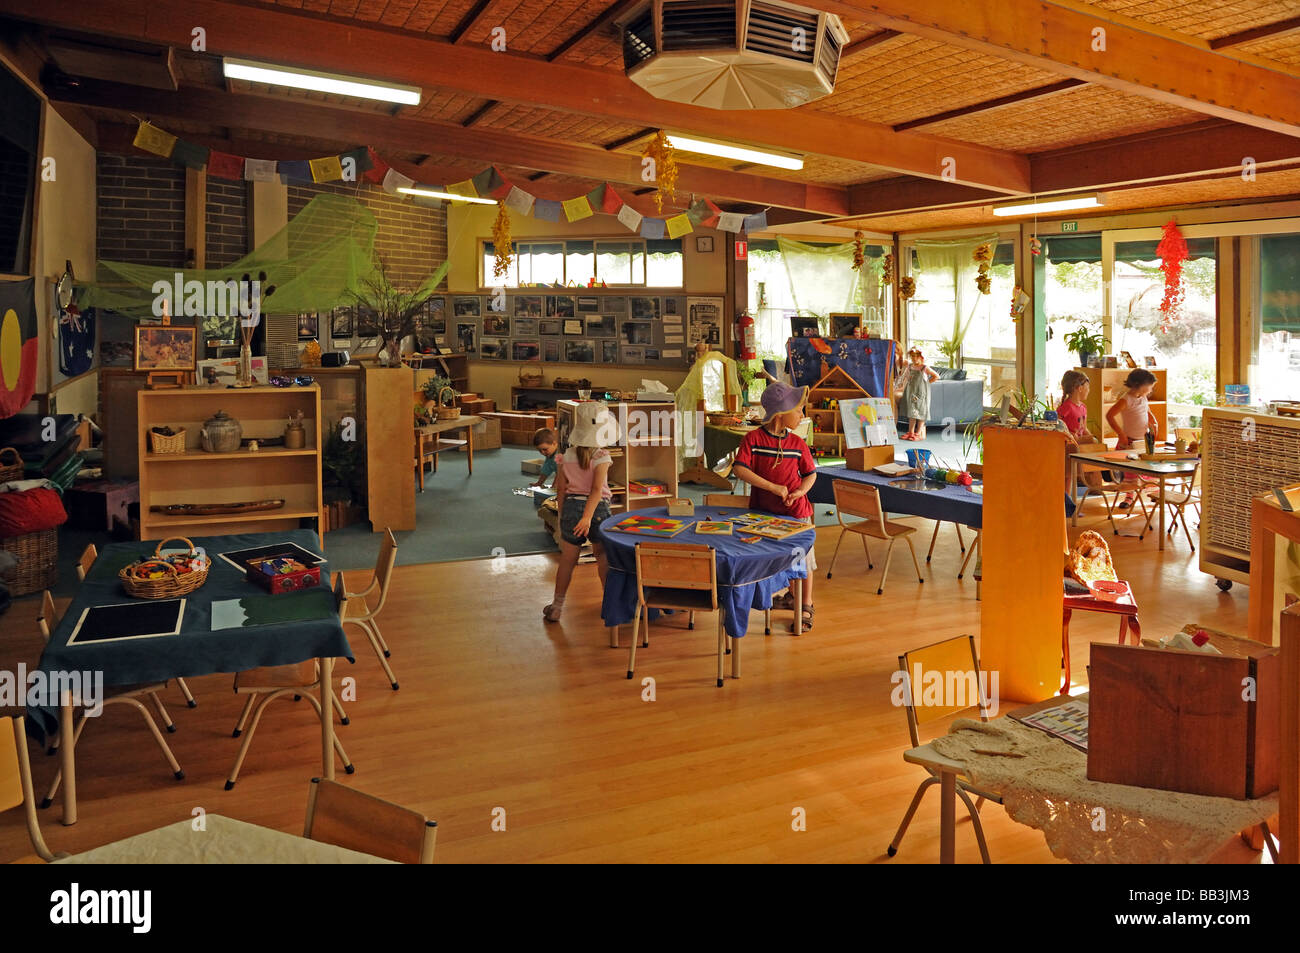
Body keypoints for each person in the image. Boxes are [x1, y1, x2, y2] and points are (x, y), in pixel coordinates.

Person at [731, 381, 819, 631]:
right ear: (781, 412)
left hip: (796, 512)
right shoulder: (753, 439)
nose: (802, 415)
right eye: (798, 410)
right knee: (774, 557)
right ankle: (792, 595)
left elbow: (810, 473)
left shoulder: (798, 444)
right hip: (764, 512)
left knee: (803, 559)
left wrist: (800, 490)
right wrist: (773, 487)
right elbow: (740, 469)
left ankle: (806, 605)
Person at [544, 403, 614, 623]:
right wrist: (588, 517)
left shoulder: (565, 456)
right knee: (602, 556)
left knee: (567, 560)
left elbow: (561, 489)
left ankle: (556, 607)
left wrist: (563, 515)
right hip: (598, 510)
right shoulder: (601, 455)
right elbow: (596, 490)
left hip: (572, 508)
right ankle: (609, 604)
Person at [1105, 368, 1159, 509]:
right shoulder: (1126, 399)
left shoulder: (1143, 397)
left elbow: (1146, 410)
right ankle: (1129, 496)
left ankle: (1155, 493)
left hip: (1143, 441)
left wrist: (1152, 420)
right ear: (1139, 385)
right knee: (1130, 473)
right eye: (1150, 386)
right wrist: (1121, 434)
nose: (1151, 389)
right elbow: (1109, 415)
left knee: (1149, 467)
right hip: (1129, 441)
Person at [896, 347, 939, 441]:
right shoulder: (910, 367)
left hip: (921, 392)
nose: (914, 358)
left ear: (921, 357)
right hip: (911, 391)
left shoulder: (924, 367)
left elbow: (936, 376)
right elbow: (906, 377)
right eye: (912, 356)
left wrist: (927, 383)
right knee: (912, 411)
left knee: (921, 411)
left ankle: (918, 433)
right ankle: (910, 432)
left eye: (916, 356)